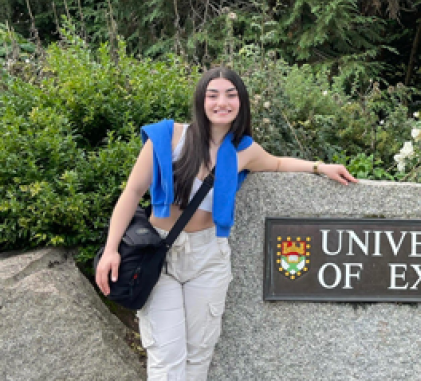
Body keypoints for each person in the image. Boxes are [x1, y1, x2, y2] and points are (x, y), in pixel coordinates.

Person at [95, 66, 357, 380]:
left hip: (209, 257)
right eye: (213, 95)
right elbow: (132, 193)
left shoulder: (244, 151)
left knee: (198, 356)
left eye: (231, 95)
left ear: (241, 103)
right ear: (201, 101)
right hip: (159, 253)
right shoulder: (168, 136)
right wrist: (112, 249)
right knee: (167, 357)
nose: (223, 102)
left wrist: (319, 167)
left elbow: (277, 163)